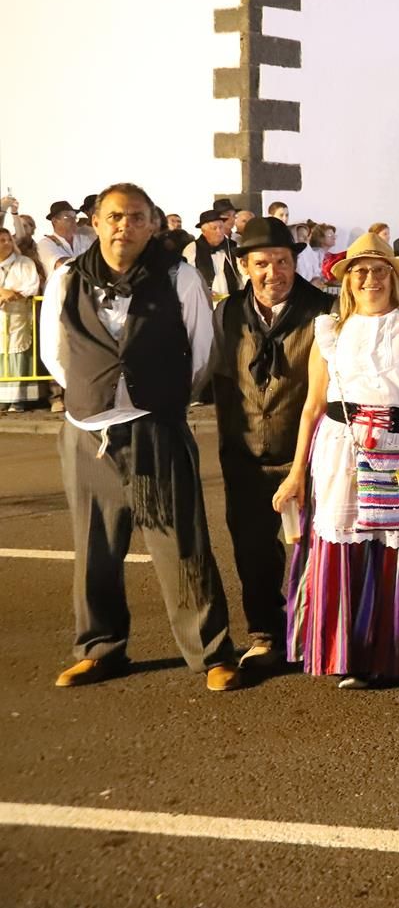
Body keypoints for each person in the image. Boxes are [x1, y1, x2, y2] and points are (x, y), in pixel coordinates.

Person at [39, 183, 241, 691]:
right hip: (88, 434)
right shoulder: (66, 277)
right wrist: (93, 393)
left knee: (182, 545)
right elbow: (53, 353)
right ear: (95, 222)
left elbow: (201, 350)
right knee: (95, 548)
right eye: (112, 217)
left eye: (134, 217)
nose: (122, 227)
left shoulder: (179, 275)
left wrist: (161, 397)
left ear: (152, 224)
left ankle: (212, 653)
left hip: (156, 427)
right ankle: (100, 648)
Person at [271, 234, 399, 688]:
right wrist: (297, 470)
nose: (370, 278)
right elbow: (313, 404)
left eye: (379, 270)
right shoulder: (330, 331)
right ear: (348, 282)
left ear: (394, 277)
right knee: (347, 541)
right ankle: (350, 654)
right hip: (341, 447)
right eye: (360, 271)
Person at [208, 216, 334, 670]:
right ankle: (265, 633)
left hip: (308, 455)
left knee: (319, 549)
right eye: (262, 263)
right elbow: (220, 381)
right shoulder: (226, 313)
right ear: (244, 265)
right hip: (244, 456)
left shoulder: (323, 312)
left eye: (282, 261)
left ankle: (319, 630)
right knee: (253, 550)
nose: (273, 272)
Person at [0, 225, 44, 412]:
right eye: (2, 241)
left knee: (19, 351)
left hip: (19, 315)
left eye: (9, 239)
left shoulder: (24, 262)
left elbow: (32, 286)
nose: (7, 243)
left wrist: (12, 293)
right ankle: (3, 397)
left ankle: (19, 397)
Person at [182, 212, 242, 303]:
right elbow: (187, 278)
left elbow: (244, 273)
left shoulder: (233, 246)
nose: (219, 231)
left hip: (233, 302)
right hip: (204, 301)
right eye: (214, 228)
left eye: (221, 227)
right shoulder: (192, 249)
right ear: (204, 231)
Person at [39, 200, 91, 270]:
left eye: (75, 218)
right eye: (68, 218)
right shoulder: (45, 244)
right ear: (54, 221)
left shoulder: (84, 239)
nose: (73, 221)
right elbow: (60, 264)